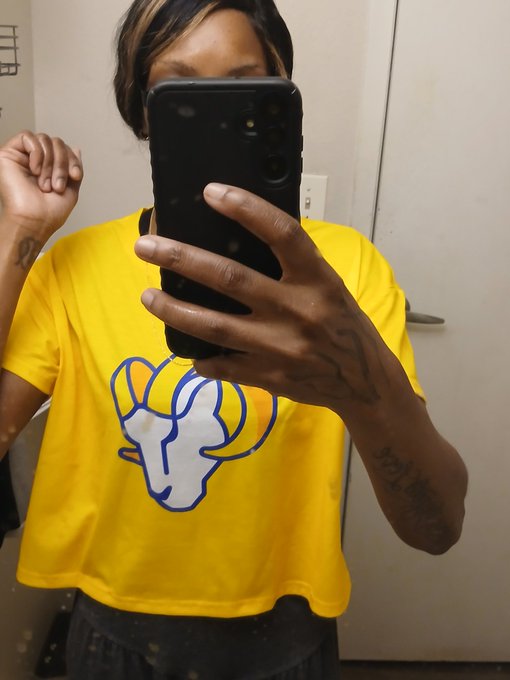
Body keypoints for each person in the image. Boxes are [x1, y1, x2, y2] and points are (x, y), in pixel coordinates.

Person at [0, 1, 468, 678]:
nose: (215, 114)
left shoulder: (344, 271)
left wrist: (364, 390)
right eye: (180, 89)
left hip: (285, 637)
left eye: (243, 87)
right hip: (113, 634)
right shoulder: (74, 268)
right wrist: (21, 233)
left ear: (281, 100)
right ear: (142, 110)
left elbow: (437, 527)